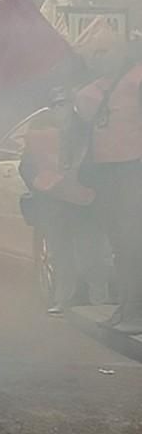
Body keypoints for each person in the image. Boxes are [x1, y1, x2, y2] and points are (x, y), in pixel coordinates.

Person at [20, 87, 110, 315]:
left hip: (83, 204)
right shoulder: (40, 131)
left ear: (73, 104)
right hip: (53, 205)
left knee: (92, 254)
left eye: (64, 103)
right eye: (56, 105)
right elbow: (26, 166)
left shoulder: (87, 131)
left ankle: (101, 301)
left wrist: (86, 185)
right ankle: (64, 301)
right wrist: (38, 181)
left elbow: (99, 164)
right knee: (60, 255)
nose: (61, 109)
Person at [75, 41, 142, 334]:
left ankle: (135, 310)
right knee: (121, 244)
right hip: (113, 172)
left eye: (107, 50)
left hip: (131, 169)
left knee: (130, 243)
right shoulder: (99, 89)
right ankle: (127, 306)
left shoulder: (134, 81)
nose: (101, 56)